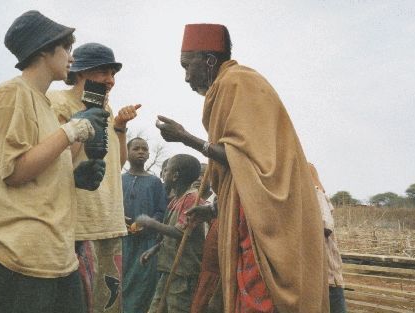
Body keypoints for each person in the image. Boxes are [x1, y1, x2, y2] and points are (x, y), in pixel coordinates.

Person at [156, 24, 329, 312]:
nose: (186, 77)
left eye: (188, 65)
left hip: (266, 216)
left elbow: (248, 160)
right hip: (246, 211)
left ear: (210, 60)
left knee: (260, 294)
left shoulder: (239, 83)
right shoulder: (228, 87)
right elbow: (242, 168)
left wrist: (186, 138)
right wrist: (214, 209)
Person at [0, 11, 107, 313]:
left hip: (55, 254)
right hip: (20, 253)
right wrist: (70, 130)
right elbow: (15, 171)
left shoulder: (43, 103)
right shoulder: (12, 94)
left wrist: (74, 175)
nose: (71, 57)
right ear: (45, 49)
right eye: (66, 49)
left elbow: (41, 169)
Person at [48, 42, 140, 313]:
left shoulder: (107, 110)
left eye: (112, 73)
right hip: (77, 224)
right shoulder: (57, 102)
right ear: (79, 72)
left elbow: (117, 164)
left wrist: (120, 127)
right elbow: (55, 159)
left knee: (107, 305)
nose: (110, 81)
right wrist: (81, 122)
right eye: (102, 72)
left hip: (109, 222)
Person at [137, 154, 205, 313]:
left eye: (166, 170)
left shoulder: (192, 199)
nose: (164, 173)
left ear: (175, 176)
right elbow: (170, 235)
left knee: (177, 308)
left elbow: (181, 233)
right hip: (170, 268)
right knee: (156, 308)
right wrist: (154, 249)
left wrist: (150, 223)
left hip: (183, 272)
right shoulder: (176, 200)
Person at [121, 137, 167, 313]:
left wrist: (147, 225)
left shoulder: (155, 183)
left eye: (144, 149)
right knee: (120, 282)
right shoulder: (120, 179)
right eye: (136, 148)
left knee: (143, 286)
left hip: (146, 244)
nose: (141, 151)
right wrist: (119, 219)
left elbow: (161, 211)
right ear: (127, 152)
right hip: (123, 242)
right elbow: (112, 206)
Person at [308, 163, 347, 313]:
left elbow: (325, 227)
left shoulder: (315, 194)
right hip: (323, 278)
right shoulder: (313, 195)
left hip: (326, 277)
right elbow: (325, 225)